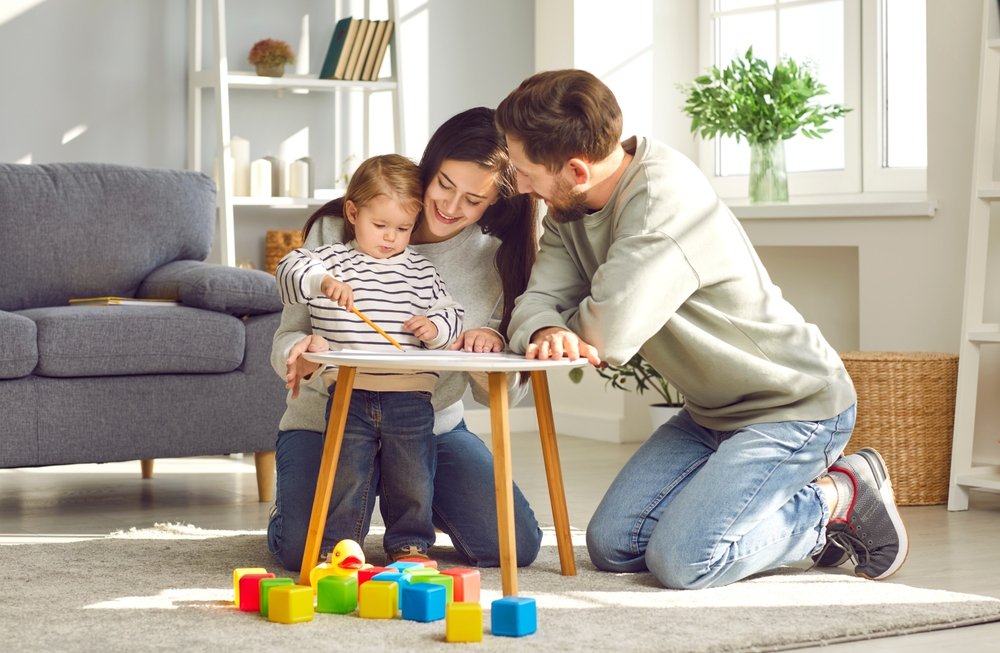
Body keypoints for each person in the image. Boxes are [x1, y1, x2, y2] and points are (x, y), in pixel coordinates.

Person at [494, 69, 908, 590]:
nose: (520, 185)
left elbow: (608, 336)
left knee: (686, 561)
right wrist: (545, 329)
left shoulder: (662, 205)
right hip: (711, 413)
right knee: (614, 546)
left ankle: (834, 500)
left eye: (526, 171)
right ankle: (764, 508)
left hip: (793, 406)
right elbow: (538, 302)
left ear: (577, 169)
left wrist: (560, 325)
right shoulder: (567, 206)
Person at [268, 107, 543, 570]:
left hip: (427, 424)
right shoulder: (337, 231)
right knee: (303, 550)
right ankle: (330, 498)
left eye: (474, 200)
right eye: (444, 185)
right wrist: (300, 353)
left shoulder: (494, 259)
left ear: (494, 202)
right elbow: (290, 333)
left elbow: (505, 393)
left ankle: (409, 498)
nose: (451, 208)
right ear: (428, 168)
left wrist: (487, 344)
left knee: (514, 544)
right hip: (328, 416)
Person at [275, 154, 464, 562]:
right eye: (380, 226)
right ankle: (341, 547)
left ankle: (410, 544)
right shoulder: (330, 261)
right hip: (349, 392)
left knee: (413, 474)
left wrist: (435, 328)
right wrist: (322, 282)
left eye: (403, 228)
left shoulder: (421, 271)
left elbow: (452, 313)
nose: (391, 237)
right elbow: (288, 267)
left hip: (412, 394)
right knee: (347, 473)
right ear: (353, 213)